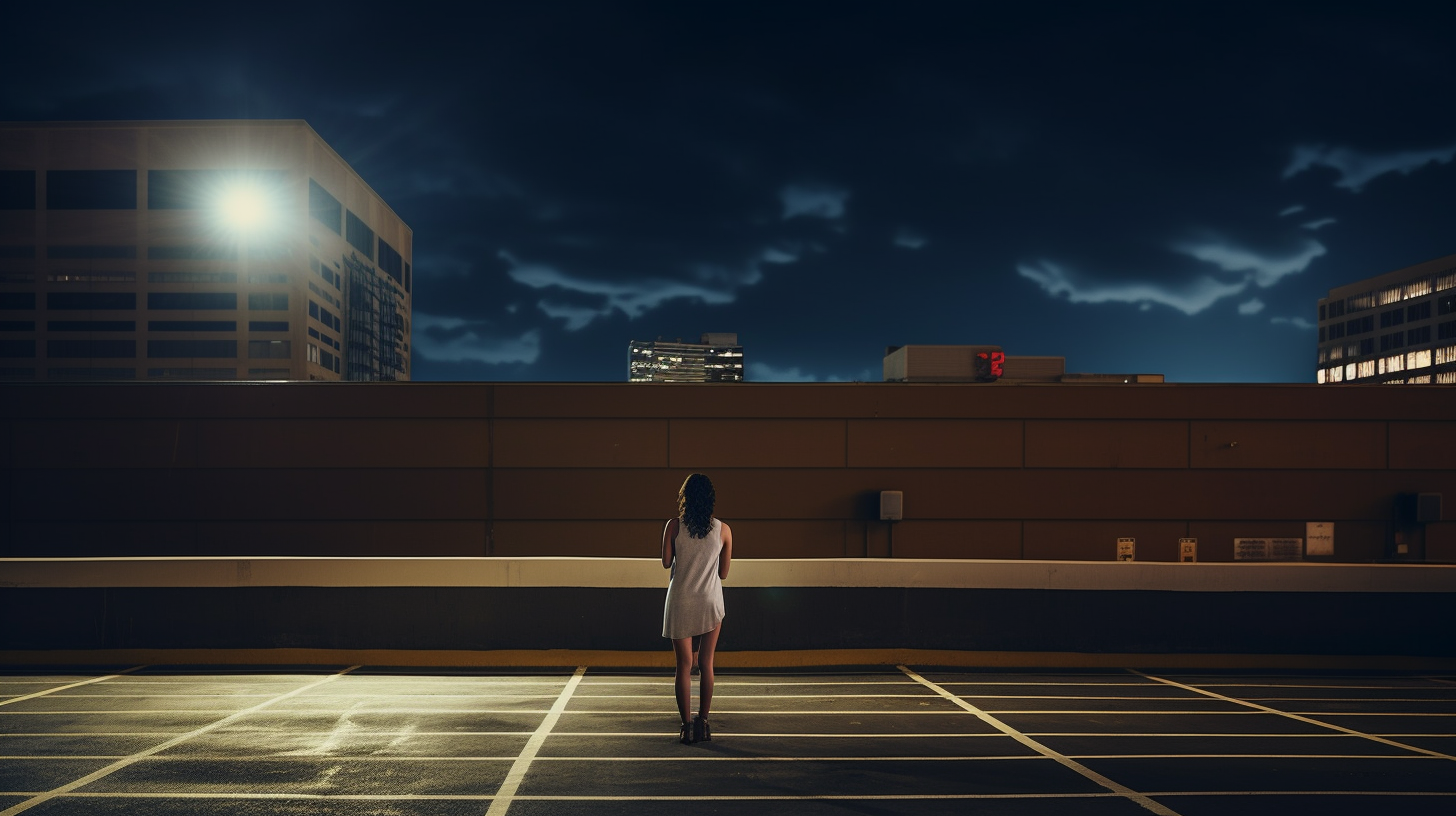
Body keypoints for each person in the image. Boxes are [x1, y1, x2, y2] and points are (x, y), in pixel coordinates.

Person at [661, 472, 732, 744]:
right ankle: (703, 722)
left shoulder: (673, 526)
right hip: (710, 600)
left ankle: (685, 726)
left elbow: (666, 563)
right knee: (706, 663)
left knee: (684, 666)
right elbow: (723, 573)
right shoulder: (723, 530)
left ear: (685, 498)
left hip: (680, 600)